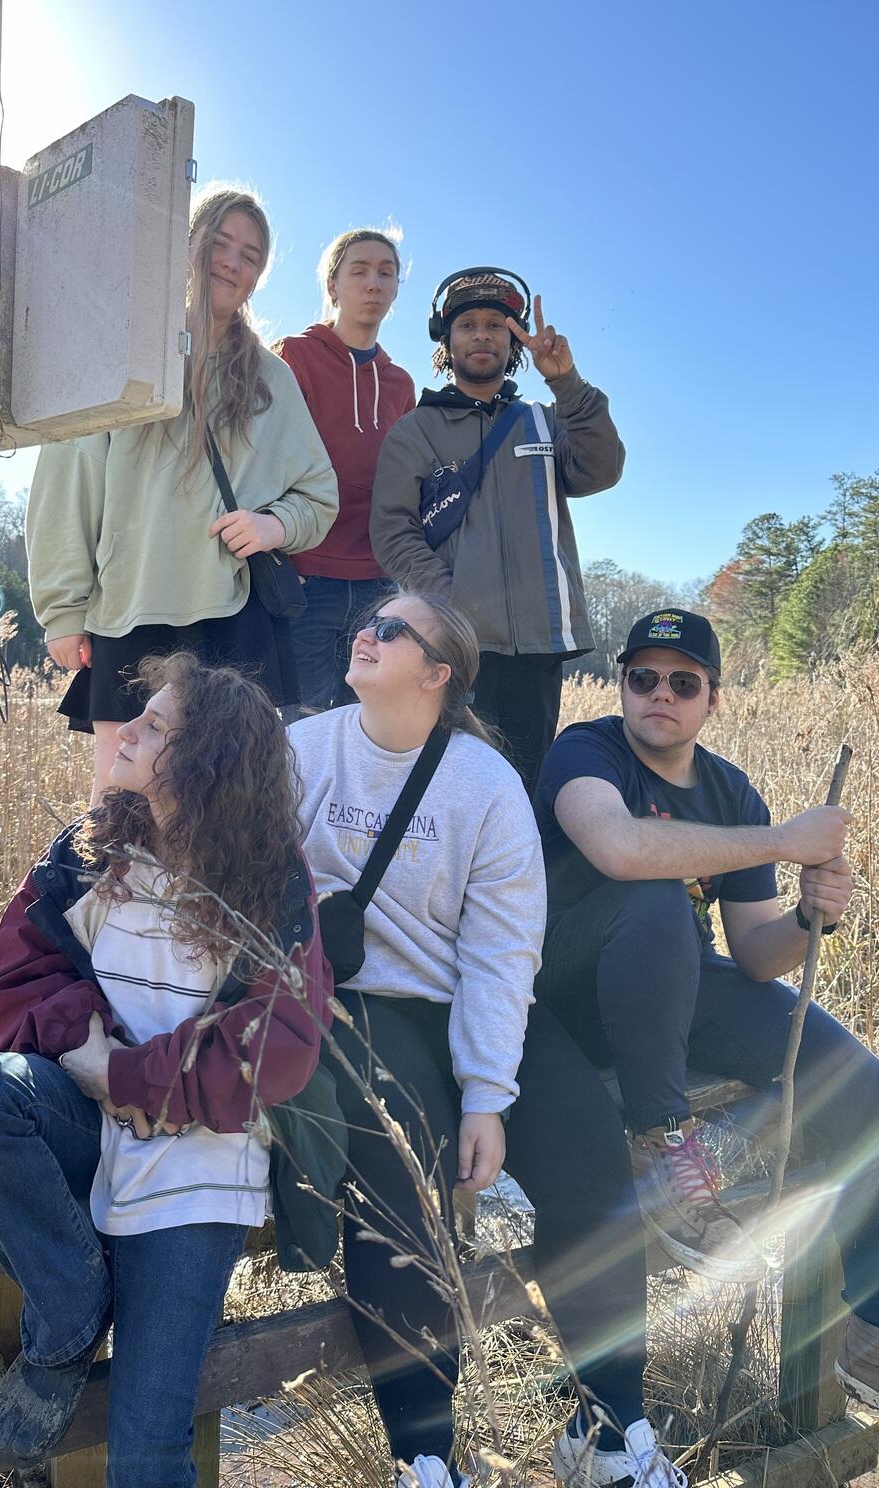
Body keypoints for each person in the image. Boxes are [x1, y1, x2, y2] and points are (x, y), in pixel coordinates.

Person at [534, 607, 879, 1455]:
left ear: (712, 700)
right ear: (620, 686)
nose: (659, 694)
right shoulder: (585, 753)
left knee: (872, 1096)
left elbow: (759, 955)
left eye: (681, 682)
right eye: (641, 678)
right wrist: (784, 838)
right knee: (654, 893)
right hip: (571, 1000)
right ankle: (662, 1142)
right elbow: (618, 851)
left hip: (678, 991)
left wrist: (809, 917)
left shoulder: (729, 789)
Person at [288, 591, 687, 1488]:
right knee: (401, 1170)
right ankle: (426, 1458)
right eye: (369, 621)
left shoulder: (486, 785)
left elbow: (504, 952)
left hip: (471, 1001)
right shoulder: (303, 752)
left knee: (589, 1154)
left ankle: (609, 1432)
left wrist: (487, 1096)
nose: (366, 632)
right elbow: (249, 878)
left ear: (438, 674)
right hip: (358, 1005)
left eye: (391, 630)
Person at [0, 654, 331, 1487]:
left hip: (199, 1169)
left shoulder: (270, 885)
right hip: (84, 1115)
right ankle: (71, 1312)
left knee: (146, 1452)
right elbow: (11, 979)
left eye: (156, 727)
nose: (128, 729)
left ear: (208, 760)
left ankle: (83, 1318)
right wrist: (92, 1056)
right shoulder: (87, 853)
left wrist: (138, 1080)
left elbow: (280, 1048)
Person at [26, 186, 338, 798]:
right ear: (187, 245)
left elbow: (319, 495)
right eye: (219, 242)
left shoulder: (272, 379)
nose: (232, 261)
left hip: (233, 616)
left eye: (250, 255)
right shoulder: (124, 347)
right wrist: (63, 609)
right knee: (119, 805)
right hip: (130, 606)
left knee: (218, 805)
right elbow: (67, 481)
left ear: (257, 277)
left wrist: (273, 527)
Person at [369, 270, 623, 793]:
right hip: (455, 649)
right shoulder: (415, 430)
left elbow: (603, 469)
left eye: (495, 325)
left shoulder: (546, 421)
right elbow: (393, 532)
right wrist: (450, 602)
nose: (482, 334)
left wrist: (567, 381)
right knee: (445, 786)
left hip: (539, 647)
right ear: (447, 340)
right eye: (467, 325)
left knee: (523, 790)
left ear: (514, 344)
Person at [275, 228, 416, 712]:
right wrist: (276, 561)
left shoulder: (400, 384)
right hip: (306, 576)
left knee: (366, 724)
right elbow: (266, 461)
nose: (373, 283)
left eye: (386, 273)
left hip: (378, 583)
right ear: (332, 285)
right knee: (303, 728)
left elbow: (405, 485)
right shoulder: (294, 357)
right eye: (359, 271)